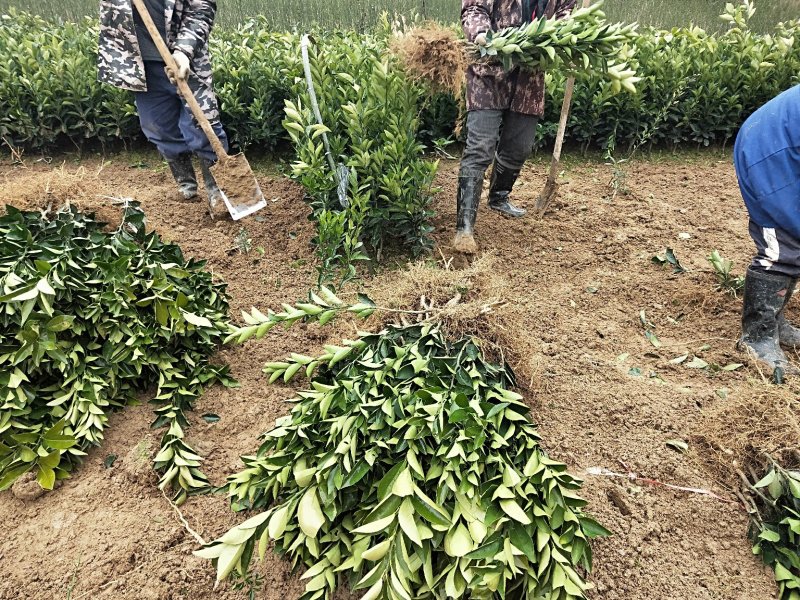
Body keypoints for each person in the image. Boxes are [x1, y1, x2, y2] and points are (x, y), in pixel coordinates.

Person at [455, 0, 577, 253]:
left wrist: (563, 35)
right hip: (488, 73)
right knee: (480, 147)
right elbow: (474, 8)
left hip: (529, 78)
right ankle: (464, 227)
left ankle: (499, 197)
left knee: (519, 147)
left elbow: (566, 12)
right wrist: (481, 35)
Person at [98, 0, 227, 209]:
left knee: (202, 123)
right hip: (142, 64)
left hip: (185, 60)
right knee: (157, 126)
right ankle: (186, 182)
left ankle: (218, 189)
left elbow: (202, 7)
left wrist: (184, 51)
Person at [733, 84, 800, 377]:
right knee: (784, 244)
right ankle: (757, 337)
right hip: (771, 150)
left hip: (785, 142)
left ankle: (775, 324)